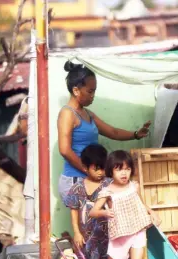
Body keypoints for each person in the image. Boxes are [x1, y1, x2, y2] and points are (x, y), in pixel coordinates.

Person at [58, 60, 151, 202]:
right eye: (90, 91)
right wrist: (87, 171)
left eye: (94, 91)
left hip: (91, 177)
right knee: (87, 222)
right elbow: (65, 150)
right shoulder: (67, 113)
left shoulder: (88, 114)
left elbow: (113, 132)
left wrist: (136, 134)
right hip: (75, 179)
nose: (93, 95)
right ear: (76, 90)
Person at [90, 150, 161, 259]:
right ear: (111, 170)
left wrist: (152, 212)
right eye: (119, 169)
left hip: (137, 230)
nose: (124, 173)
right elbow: (92, 212)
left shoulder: (134, 186)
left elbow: (142, 204)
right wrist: (104, 212)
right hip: (119, 235)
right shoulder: (107, 192)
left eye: (127, 169)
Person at [63, 144, 112, 259]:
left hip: (109, 235)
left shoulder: (109, 185)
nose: (100, 172)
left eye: (103, 168)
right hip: (87, 236)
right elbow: (74, 211)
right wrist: (76, 232)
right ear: (85, 167)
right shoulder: (77, 188)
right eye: (96, 168)